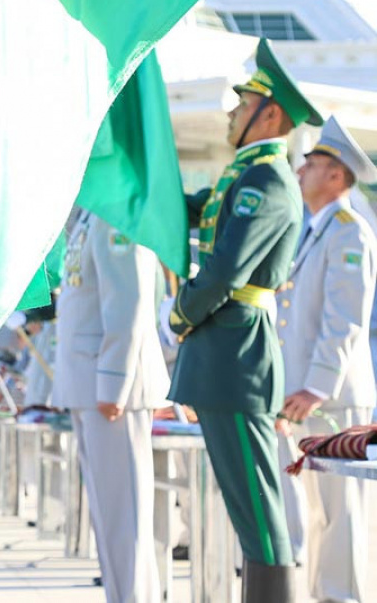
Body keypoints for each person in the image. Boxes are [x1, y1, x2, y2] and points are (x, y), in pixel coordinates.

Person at [167, 38, 323, 602]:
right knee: (245, 501)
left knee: (256, 505)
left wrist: (181, 313)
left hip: (237, 353)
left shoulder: (268, 181)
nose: (232, 114)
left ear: (271, 115)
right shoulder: (245, 175)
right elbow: (194, 210)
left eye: (244, 104)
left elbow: (225, 271)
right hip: (226, 353)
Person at [275, 116, 377, 603]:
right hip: (307, 394)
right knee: (318, 513)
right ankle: (326, 596)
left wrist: (316, 384)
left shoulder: (349, 232)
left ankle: (345, 598)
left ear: (336, 175)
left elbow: (345, 318)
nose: (300, 171)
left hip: (332, 394)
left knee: (342, 514)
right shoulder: (315, 230)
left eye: (311, 163)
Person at [52, 208, 170, 603]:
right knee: (109, 518)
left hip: (110, 389)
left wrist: (113, 384)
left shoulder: (116, 214)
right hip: (88, 385)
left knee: (124, 520)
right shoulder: (90, 215)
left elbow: (127, 304)